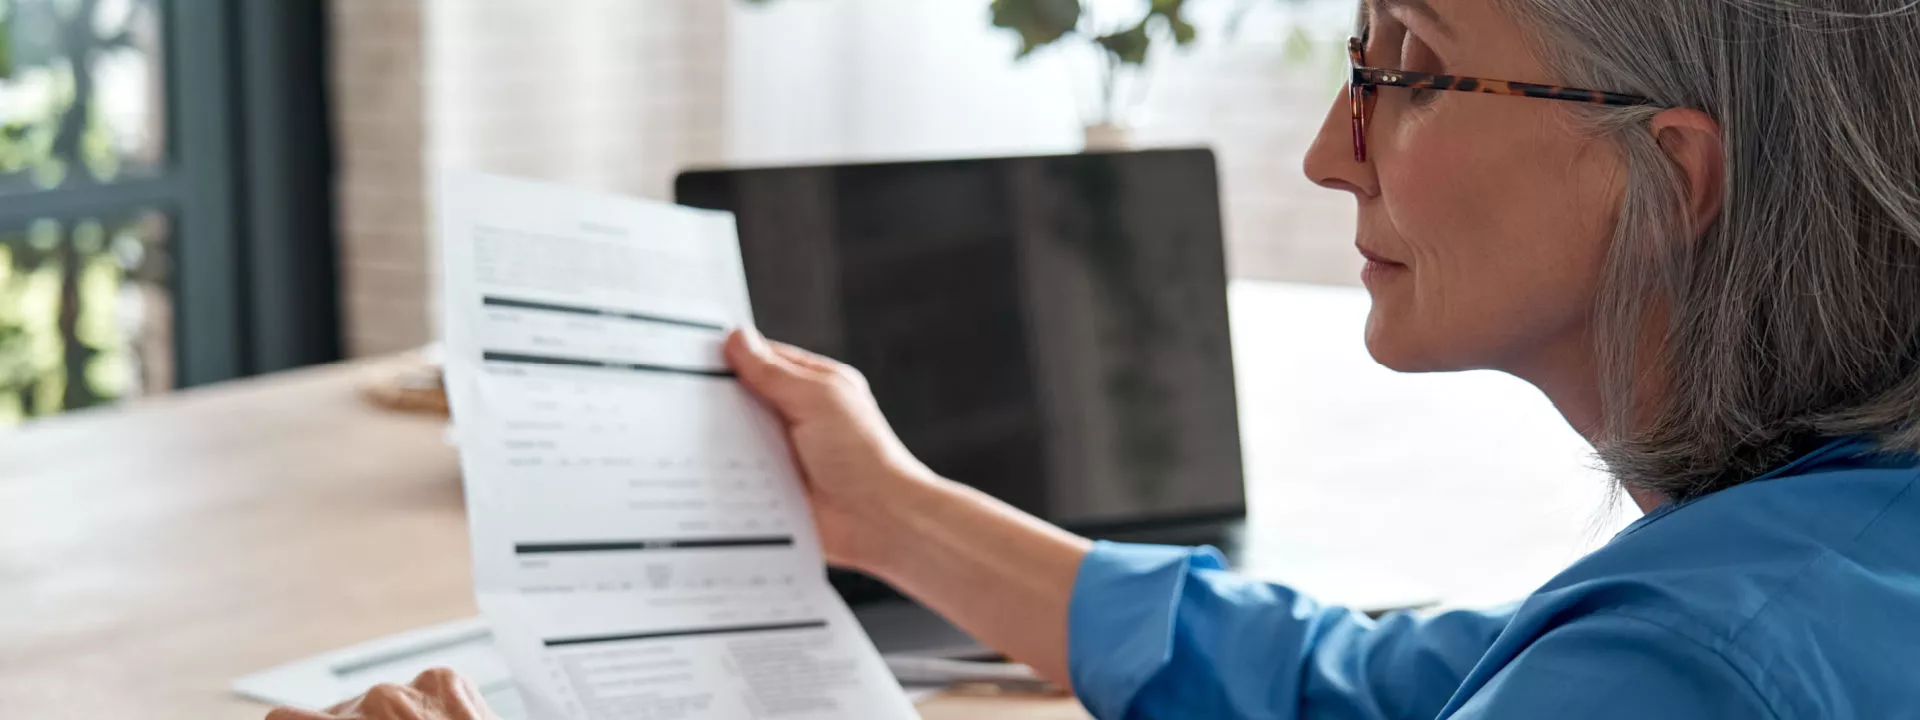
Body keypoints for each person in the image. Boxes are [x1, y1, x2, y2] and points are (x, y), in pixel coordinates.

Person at [284, 0, 1920, 717]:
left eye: (1410, 69)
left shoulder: (1686, 677)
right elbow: (1365, 690)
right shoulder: (1797, 569)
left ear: (1669, 176)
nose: (1327, 155)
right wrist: (892, 511)